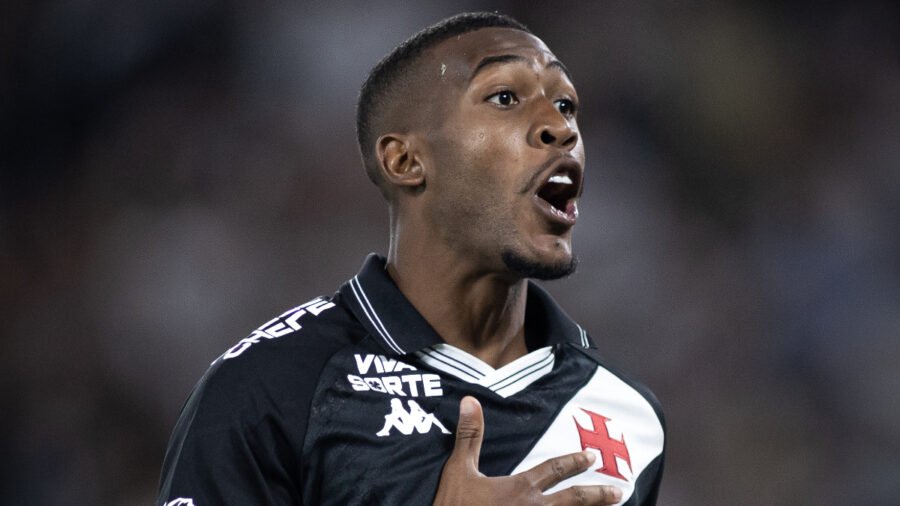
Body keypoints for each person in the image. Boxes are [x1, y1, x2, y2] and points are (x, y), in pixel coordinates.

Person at [158, 12, 665, 506]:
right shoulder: (271, 385)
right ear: (404, 161)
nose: (560, 127)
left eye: (566, 105)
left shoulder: (626, 413)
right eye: (505, 97)